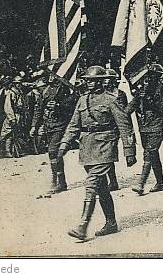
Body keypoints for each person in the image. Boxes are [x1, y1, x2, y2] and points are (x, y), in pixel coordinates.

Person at [57, 65, 137, 240]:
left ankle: (82, 225)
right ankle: (111, 223)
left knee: (91, 184)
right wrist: (64, 143)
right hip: (87, 147)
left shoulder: (111, 99)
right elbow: (73, 125)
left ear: (101, 81)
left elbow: (124, 125)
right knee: (101, 188)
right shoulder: (82, 100)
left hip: (104, 145)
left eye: (93, 81)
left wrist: (129, 150)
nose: (89, 83)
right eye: (87, 80)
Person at [30, 71, 78, 193]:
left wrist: (58, 105)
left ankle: (59, 181)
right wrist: (34, 126)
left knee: (53, 151)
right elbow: (38, 109)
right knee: (52, 153)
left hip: (60, 124)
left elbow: (72, 104)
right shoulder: (45, 91)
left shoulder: (65, 87)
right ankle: (58, 179)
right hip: (48, 125)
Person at [127, 63, 163, 195]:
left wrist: (149, 100)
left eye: (152, 76)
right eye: (148, 76)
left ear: (157, 77)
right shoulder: (142, 91)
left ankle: (141, 183)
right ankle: (160, 182)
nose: (149, 78)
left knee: (150, 152)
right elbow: (130, 108)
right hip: (144, 127)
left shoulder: (162, 90)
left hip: (156, 125)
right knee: (153, 154)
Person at [102, 67, 126, 192]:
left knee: (108, 153)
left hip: (114, 128)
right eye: (104, 79)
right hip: (103, 126)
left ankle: (113, 180)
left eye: (108, 79)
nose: (106, 82)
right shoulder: (100, 94)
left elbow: (124, 112)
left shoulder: (120, 94)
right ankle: (110, 180)